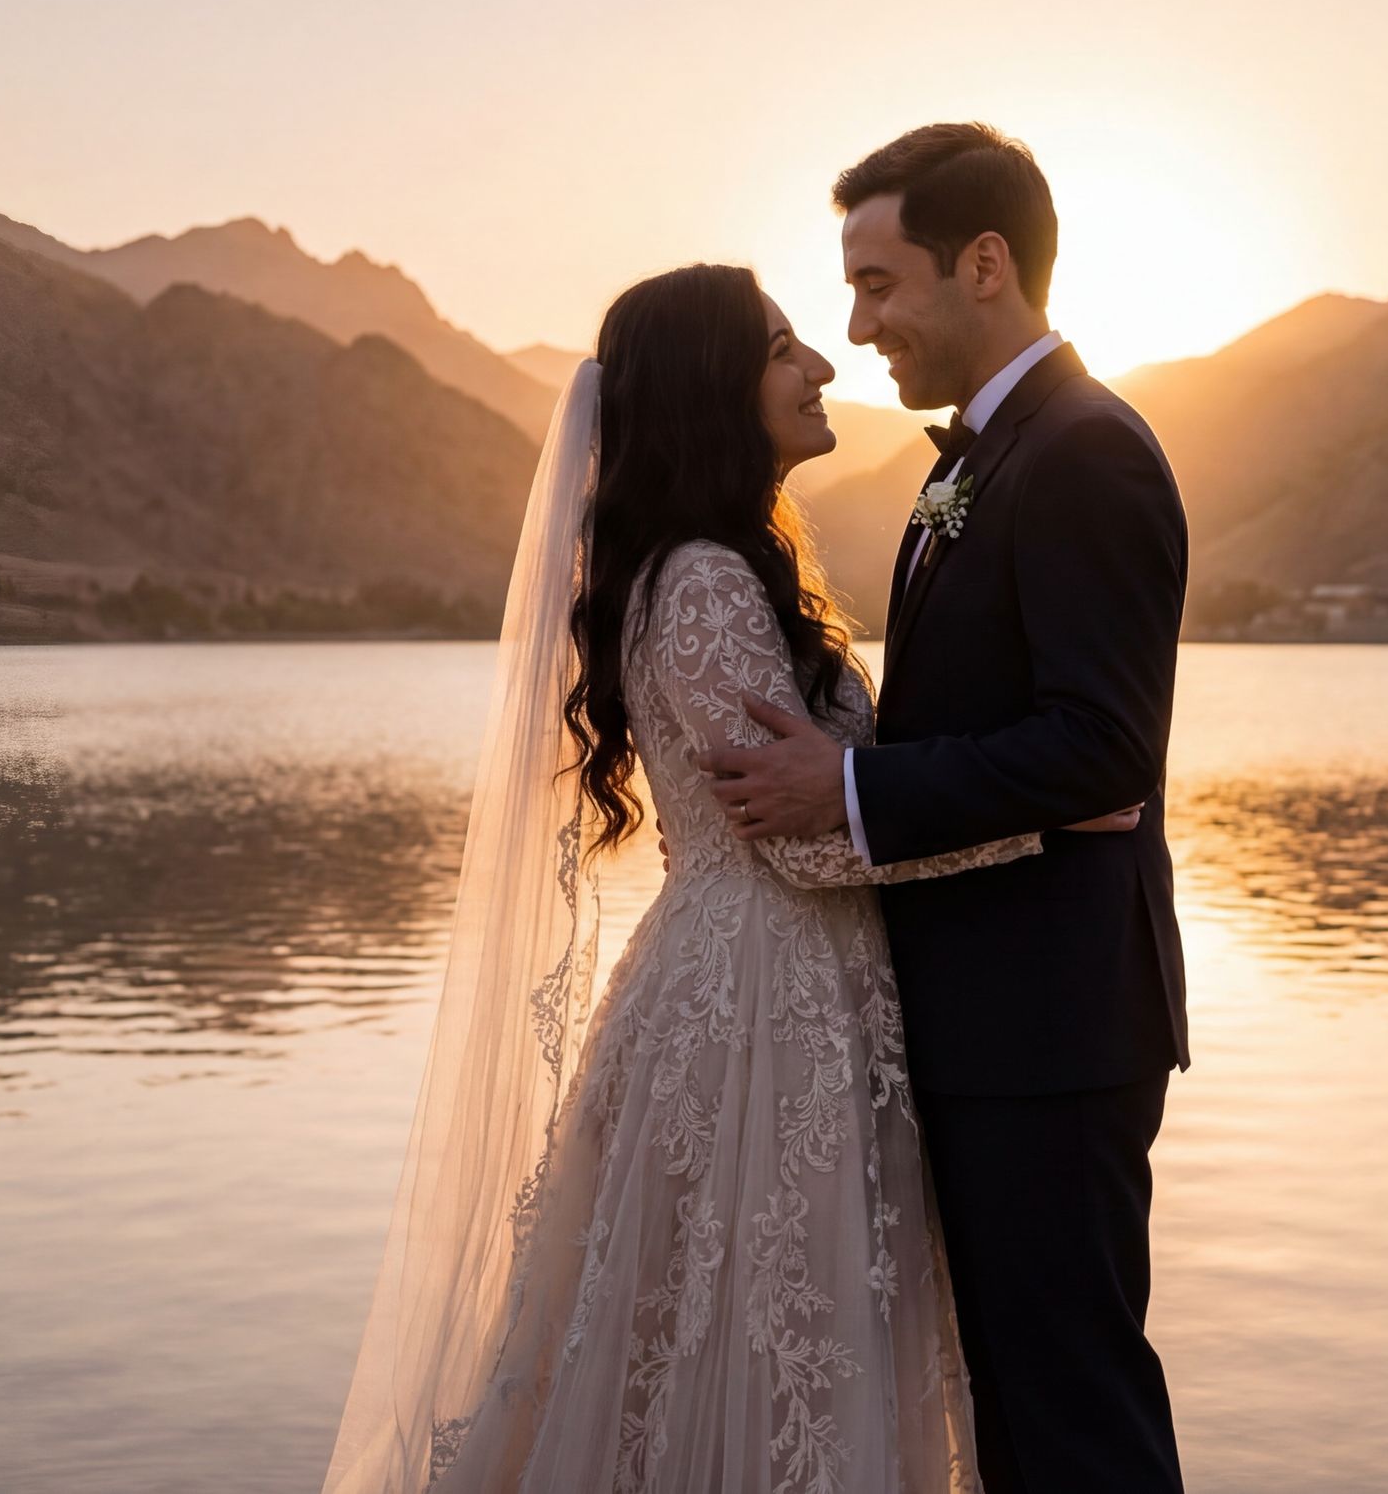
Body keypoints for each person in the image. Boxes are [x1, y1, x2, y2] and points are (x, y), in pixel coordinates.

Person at [323, 258, 1134, 1494]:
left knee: (756, 1353)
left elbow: (808, 800)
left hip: (782, 978)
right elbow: (796, 837)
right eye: (782, 349)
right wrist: (1043, 824)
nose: (820, 365)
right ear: (712, 388)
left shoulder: (721, 566)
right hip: (758, 1004)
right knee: (761, 1346)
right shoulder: (701, 579)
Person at [704, 123, 1191, 1493]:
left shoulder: (1087, 450)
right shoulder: (985, 456)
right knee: (1018, 1418)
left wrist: (848, 785)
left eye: (879, 284)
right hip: (990, 1019)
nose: (859, 328)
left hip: (1053, 1022)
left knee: (1073, 1414)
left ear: (984, 264)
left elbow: (1103, 745)